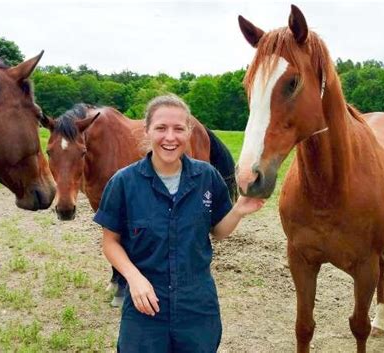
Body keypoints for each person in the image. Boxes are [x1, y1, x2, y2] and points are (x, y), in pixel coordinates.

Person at [93, 94, 265, 353]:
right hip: (145, 304)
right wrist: (133, 278)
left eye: (178, 129)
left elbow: (218, 232)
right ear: (147, 131)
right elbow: (110, 243)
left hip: (197, 304)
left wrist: (238, 211)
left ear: (189, 132)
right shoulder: (124, 183)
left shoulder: (207, 177)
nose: (170, 137)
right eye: (161, 128)